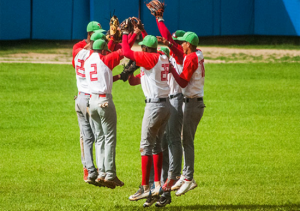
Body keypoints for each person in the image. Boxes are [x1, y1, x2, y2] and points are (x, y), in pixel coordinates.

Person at [122, 33, 171, 201]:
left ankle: (145, 187)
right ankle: (157, 185)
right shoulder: (161, 57)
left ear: (145, 49)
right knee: (157, 146)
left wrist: (126, 34)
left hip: (155, 106)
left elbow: (127, 51)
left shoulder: (150, 58)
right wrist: (128, 72)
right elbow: (134, 81)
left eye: (142, 46)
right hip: (166, 106)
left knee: (145, 146)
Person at [168, 32, 206, 196]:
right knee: (185, 140)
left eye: (183, 42)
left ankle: (189, 178)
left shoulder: (191, 58)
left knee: (187, 141)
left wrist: (172, 70)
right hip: (194, 102)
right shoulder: (198, 53)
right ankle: (185, 175)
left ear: (188, 45)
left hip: (192, 103)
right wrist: (170, 44)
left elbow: (183, 81)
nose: (181, 45)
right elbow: (179, 52)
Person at [84, 39, 125, 189]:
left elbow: (104, 78)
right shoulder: (105, 59)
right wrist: (128, 35)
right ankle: (110, 174)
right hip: (104, 101)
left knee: (99, 138)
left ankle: (101, 173)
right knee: (109, 138)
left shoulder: (87, 60)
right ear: (102, 50)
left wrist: (120, 76)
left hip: (92, 101)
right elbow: (124, 52)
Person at [72, 22, 105, 184]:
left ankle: (90, 171)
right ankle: (101, 171)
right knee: (97, 135)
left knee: (86, 137)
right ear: (90, 34)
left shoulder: (79, 54)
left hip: (79, 98)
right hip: (89, 99)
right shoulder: (94, 57)